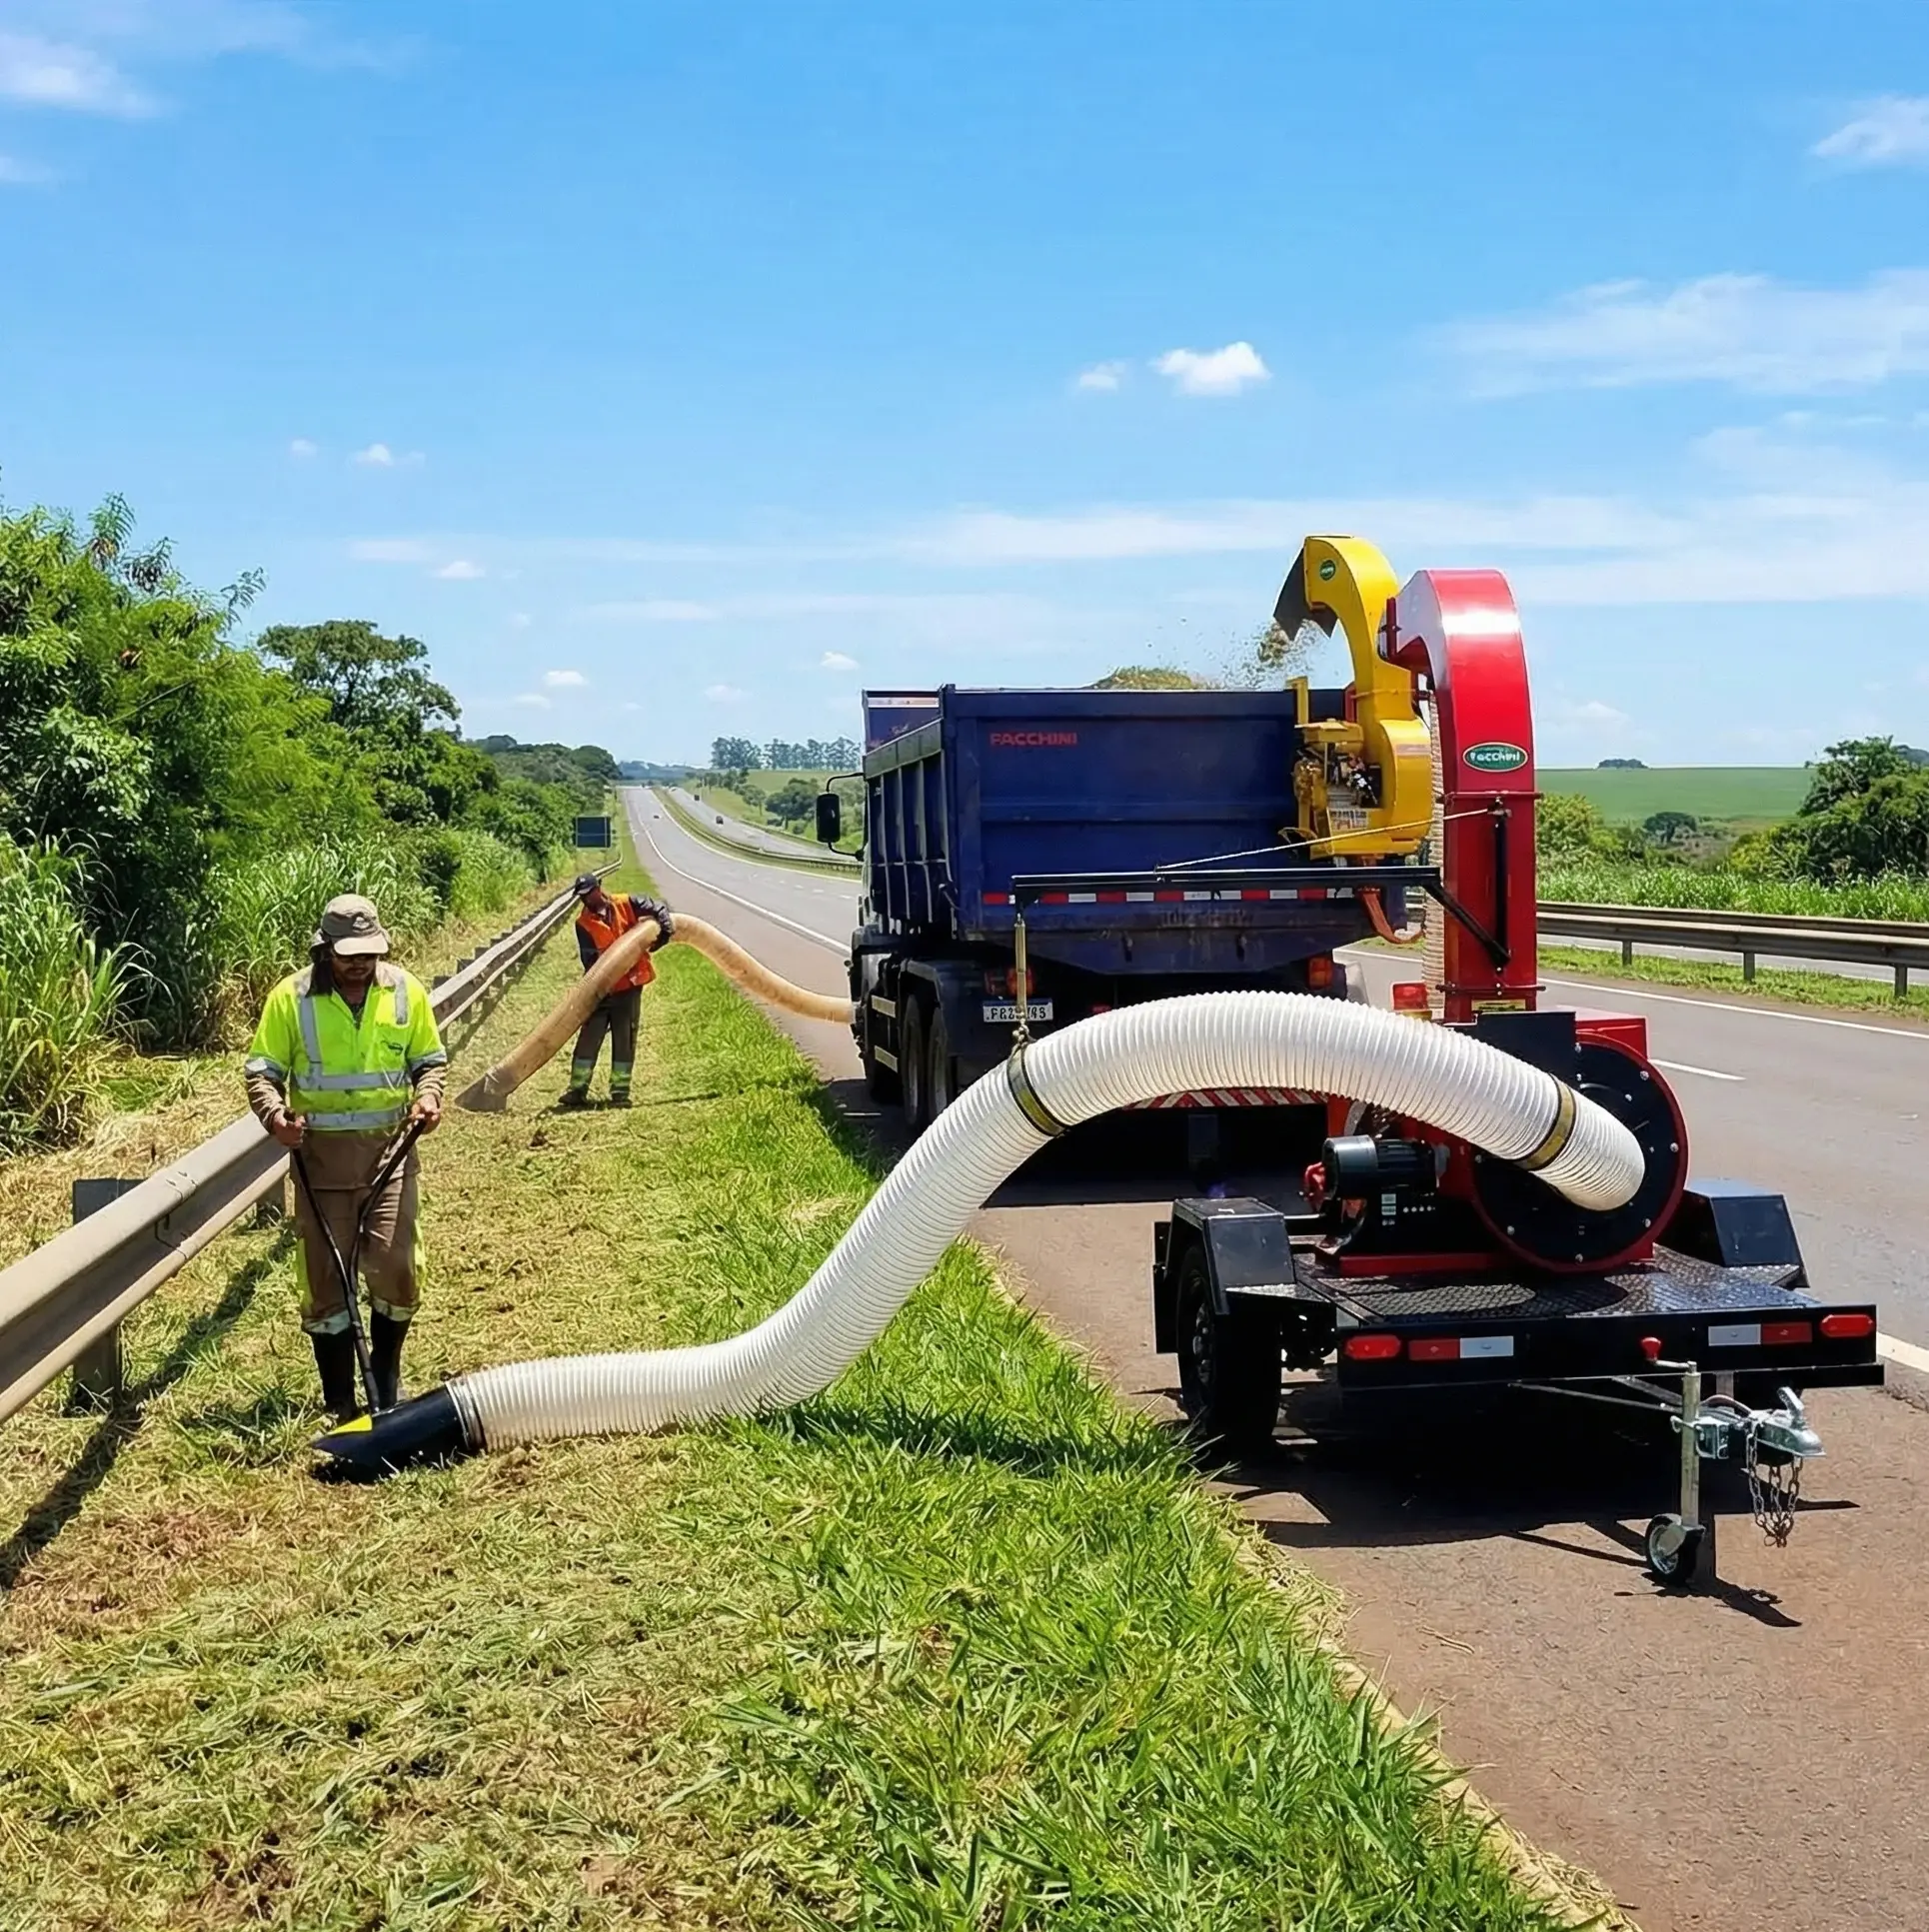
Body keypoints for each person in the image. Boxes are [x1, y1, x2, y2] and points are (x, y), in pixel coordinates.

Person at [243, 894, 447, 1419]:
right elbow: (262, 1072)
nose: (360, 965)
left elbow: (429, 1061)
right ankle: (340, 1399)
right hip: (321, 1164)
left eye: (369, 954)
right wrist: (275, 1119)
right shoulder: (291, 999)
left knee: (397, 1267)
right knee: (325, 1280)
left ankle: (385, 1380)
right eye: (350, 954)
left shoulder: (406, 992)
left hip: (389, 1155)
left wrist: (428, 1098)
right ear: (325, 949)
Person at [565, 874, 674, 1107]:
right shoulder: (583, 924)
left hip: (629, 987)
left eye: (588, 895)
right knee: (588, 1038)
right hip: (601, 990)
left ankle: (620, 1093)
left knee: (624, 1040)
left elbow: (659, 909)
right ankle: (576, 1090)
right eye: (581, 898)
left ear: (599, 888)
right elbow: (589, 960)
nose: (586, 901)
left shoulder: (627, 904)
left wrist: (663, 934)